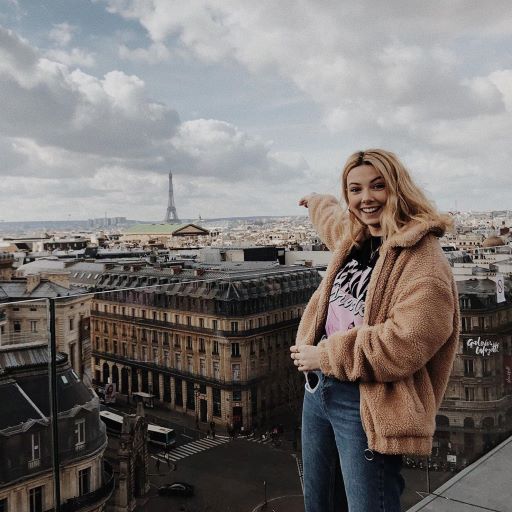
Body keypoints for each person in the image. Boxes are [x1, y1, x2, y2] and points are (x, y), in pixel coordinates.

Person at [290, 149, 460, 512]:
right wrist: (319, 202)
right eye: (355, 189)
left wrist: (326, 354)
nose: (365, 198)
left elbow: (406, 341)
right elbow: (335, 222)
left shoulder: (423, 259)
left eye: (377, 186)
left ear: (396, 188)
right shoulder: (358, 237)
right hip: (319, 388)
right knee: (319, 503)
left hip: (368, 399)